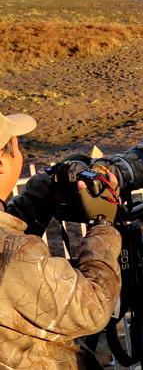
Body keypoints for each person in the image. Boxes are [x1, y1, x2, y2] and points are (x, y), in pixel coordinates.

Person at [0, 111, 122, 369]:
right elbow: (94, 308)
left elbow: (6, 230)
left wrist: (44, 193)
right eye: (15, 149)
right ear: (1, 164)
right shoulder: (19, 255)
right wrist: (104, 224)